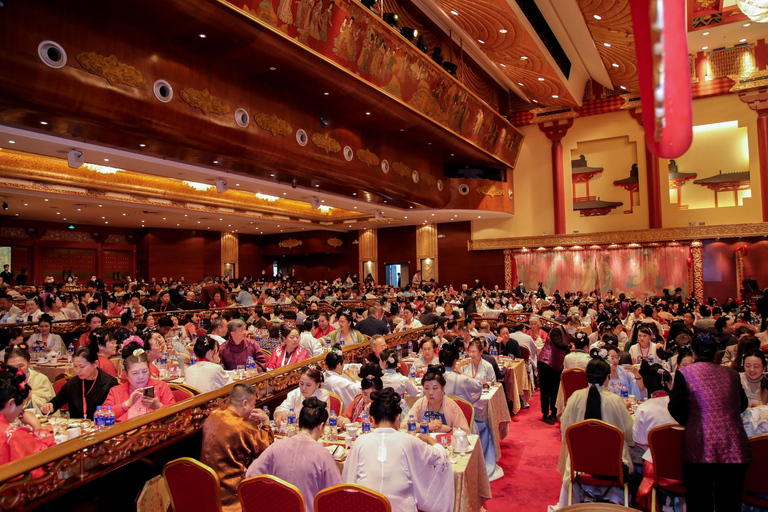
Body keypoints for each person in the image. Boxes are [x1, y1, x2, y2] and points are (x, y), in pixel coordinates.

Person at [668, 333, 751, 512]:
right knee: (730, 504)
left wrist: (694, 421)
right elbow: (742, 404)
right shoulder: (732, 374)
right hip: (733, 444)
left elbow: (675, 407)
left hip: (700, 444)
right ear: (716, 353)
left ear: (693, 352)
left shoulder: (685, 373)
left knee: (699, 502)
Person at [342, 388, 454, 512]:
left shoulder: (360, 441)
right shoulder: (408, 440)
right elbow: (439, 458)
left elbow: (348, 478)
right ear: (398, 418)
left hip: (366, 507)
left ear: (372, 418)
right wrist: (431, 441)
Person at [556, 349, 635, 507]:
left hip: (580, 462)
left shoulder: (575, 397)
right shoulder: (615, 401)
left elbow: (565, 432)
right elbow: (629, 436)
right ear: (607, 378)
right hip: (612, 464)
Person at [246, 397, 341, 512]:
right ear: (321, 426)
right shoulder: (322, 455)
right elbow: (336, 494)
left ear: (298, 422)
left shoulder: (276, 447)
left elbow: (251, 475)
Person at [201, 383, 273, 512]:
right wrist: (266, 422)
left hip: (207, 489)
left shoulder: (213, 415)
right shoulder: (242, 426)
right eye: (253, 404)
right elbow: (266, 448)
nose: (254, 407)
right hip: (231, 494)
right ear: (244, 403)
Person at [634, 361, 677, 511]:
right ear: (669, 384)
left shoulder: (644, 407)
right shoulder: (681, 403)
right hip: (684, 459)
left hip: (657, 462)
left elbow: (638, 440)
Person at [0, 364, 55, 474]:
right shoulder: (12, 435)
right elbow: (49, 462)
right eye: (22, 406)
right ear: (11, 403)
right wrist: (37, 426)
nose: (22, 411)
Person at [102, 345, 175, 422]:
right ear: (126, 375)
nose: (141, 377)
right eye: (135, 373)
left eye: (144, 371)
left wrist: (158, 406)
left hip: (154, 432)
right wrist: (126, 405)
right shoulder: (116, 391)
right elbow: (101, 416)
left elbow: (176, 416)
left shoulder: (161, 386)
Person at [41, 347, 118, 419]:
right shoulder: (72, 383)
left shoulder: (110, 383)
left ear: (95, 364)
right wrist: (49, 406)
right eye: (75, 366)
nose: (77, 371)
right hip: (77, 429)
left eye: (82, 367)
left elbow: (115, 412)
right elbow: (56, 402)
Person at [403, 366, 470, 433]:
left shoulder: (451, 406)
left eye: (435, 388)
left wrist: (448, 429)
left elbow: (466, 433)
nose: (430, 393)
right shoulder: (421, 403)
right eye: (426, 388)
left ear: (442, 389)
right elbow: (404, 425)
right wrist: (427, 426)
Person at [538, 316, 577, 425]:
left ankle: (554, 411)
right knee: (546, 391)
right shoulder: (556, 330)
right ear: (569, 324)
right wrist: (570, 346)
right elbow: (558, 343)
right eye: (575, 327)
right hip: (545, 362)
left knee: (555, 389)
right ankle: (545, 414)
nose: (575, 330)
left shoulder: (567, 334)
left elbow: (571, 342)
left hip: (556, 364)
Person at [4, 347, 54, 415]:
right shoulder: (3, 381)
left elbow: (48, 405)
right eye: (12, 367)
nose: (17, 370)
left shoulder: (41, 379)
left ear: (29, 362)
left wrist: (29, 397)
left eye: (21, 366)